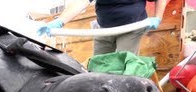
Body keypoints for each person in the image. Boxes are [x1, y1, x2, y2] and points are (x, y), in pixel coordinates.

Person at [37, 0, 168, 55]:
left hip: (132, 26)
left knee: (124, 63)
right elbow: (81, 2)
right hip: (104, 27)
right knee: (99, 65)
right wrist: (60, 21)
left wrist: (158, 17)